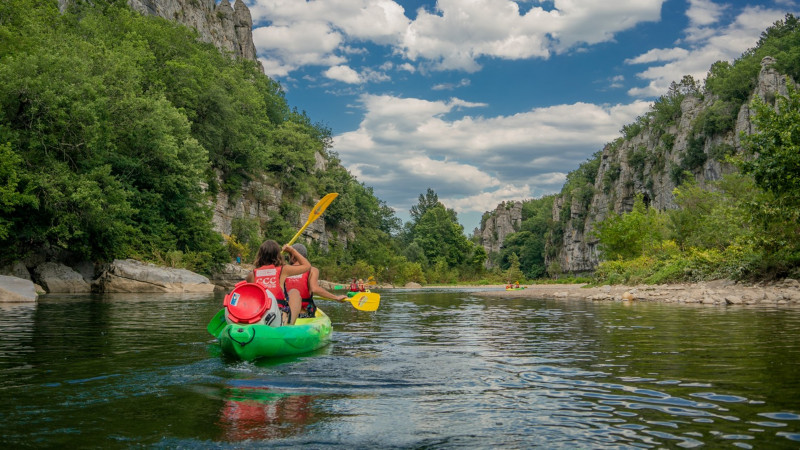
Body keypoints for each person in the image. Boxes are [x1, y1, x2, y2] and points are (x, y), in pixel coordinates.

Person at [246, 240, 310, 325]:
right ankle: (288, 325)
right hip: (276, 318)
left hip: (258, 316)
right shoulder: (283, 270)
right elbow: (307, 266)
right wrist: (292, 250)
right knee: (295, 293)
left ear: (260, 255)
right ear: (278, 255)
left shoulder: (252, 275)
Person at [284, 244, 347, 318]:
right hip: (305, 313)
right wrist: (336, 297)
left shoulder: (284, 270)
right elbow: (315, 289)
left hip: (287, 313)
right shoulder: (312, 270)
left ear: (293, 256)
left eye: (289, 255)